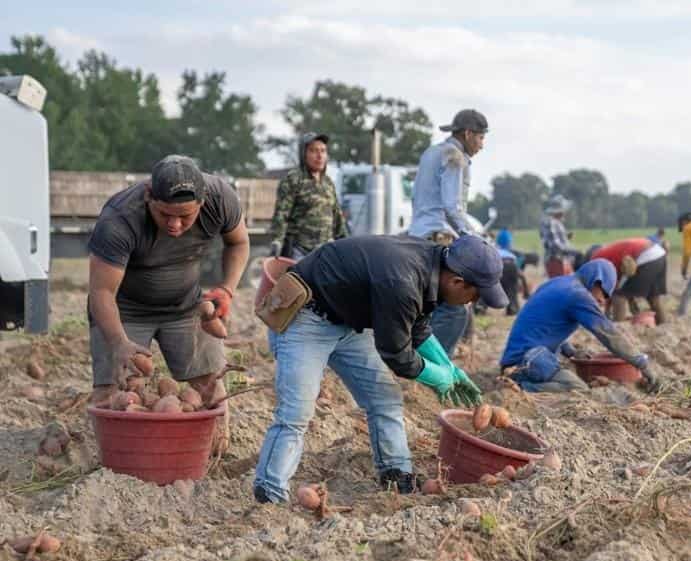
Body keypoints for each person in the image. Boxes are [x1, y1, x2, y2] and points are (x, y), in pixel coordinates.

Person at [253, 235, 508, 501]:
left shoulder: (433, 266)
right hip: (307, 317)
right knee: (296, 412)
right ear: (457, 281)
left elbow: (418, 327)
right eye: (475, 295)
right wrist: (438, 376)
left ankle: (397, 476)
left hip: (349, 322)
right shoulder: (403, 280)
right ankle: (270, 494)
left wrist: (449, 368)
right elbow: (397, 354)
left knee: (385, 399)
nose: (471, 303)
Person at [88, 155, 249, 449]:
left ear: (202, 202)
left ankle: (212, 453)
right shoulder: (120, 219)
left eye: (185, 216)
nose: (175, 225)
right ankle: (116, 458)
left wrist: (227, 289)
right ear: (149, 196)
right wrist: (118, 343)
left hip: (186, 307)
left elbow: (238, 242)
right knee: (114, 393)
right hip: (124, 311)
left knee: (211, 388)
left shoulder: (220, 198)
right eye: (165, 214)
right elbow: (101, 292)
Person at [499, 259, 658, 393]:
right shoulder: (578, 295)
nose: (602, 301)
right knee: (577, 388)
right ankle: (521, 387)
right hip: (525, 362)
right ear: (596, 280)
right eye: (604, 293)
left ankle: (518, 381)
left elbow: (547, 326)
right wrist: (641, 363)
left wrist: (571, 351)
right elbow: (608, 333)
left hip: (522, 358)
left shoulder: (559, 283)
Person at [407, 109, 489, 354]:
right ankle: (434, 365)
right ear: (468, 134)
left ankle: (419, 359)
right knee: (454, 308)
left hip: (419, 236)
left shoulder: (431, 153)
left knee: (429, 306)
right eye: (481, 137)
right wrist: (475, 240)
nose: (482, 145)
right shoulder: (455, 157)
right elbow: (452, 208)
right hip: (439, 238)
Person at [268, 133, 346, 259]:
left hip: (325, 251)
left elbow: (337, 216)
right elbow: (281, 215)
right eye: (314, 151)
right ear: (304, 154)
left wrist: (344, 241)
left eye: (323, 151)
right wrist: (277, 242)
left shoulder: (328, 183)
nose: (319, 156)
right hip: (299, 251)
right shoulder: (293, 180)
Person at [588, 237, 669, 324]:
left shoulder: (594, 262)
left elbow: (615, 287)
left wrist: (607, 310)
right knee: (653, 297)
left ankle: (618, 328)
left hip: (644, 256)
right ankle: (663, 325)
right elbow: (620, 283)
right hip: (659, 253)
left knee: (618, 297)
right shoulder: (607, 256)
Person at [540, 195, 578, 277]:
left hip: (562, 259)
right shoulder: (551, 222)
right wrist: (572, 250)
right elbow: (554, 245)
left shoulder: (556, 222)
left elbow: (555, 239)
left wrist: (566, 237)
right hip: (556, 260)